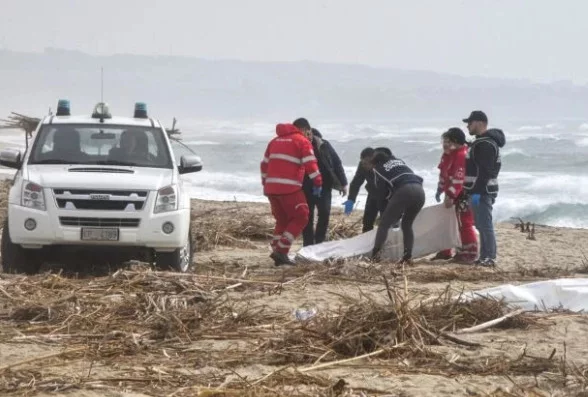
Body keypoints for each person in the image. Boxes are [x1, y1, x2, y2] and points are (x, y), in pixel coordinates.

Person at [260, 119, 323, 266]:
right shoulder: (302, 141)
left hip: (271, 188)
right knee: (302, 216)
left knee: (282, 220)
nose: (310, 137)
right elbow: (310, 164)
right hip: (289, 188)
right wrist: (318, 182)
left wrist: (266, 183)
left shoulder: (274, 141)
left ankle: (277, 250)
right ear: (305, 130)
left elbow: (264, 165)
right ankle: (282, 251)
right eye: (309, 133)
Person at [462, 110, 506, 267]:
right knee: (480, 224)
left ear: (480, 123)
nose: (467, 126)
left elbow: (485, 171)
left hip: (482, 191)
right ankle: (484, 256)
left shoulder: (485, 144)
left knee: (485, 225)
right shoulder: (482, 142)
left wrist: (476, 192)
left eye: (470, 122)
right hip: (481, 190)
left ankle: (490, 257)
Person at [431, 127, 478, 263]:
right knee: (449, 222)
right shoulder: (447, 155)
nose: (444, 144)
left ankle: (470, 253)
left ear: (456, 142)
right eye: (443, 141)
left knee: (465, 223)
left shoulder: (461, 155)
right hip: (452, 193)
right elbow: (443, 174)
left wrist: (451, 195)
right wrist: (440, 189)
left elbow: (459, 177)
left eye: (448, 141)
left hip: (464, 194)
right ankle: (446, 251)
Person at [369, 151, 425, 264]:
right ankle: (407, 256)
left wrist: (383, 213)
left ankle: (375, 256)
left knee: (384, 224)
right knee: (407, 224)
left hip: (405, 190)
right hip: (420, 191)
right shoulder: (399, 162)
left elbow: (382, 195)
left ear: (375, 163)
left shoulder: (378, 169)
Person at [301, 127, 348, 246]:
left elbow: (337, 163)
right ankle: (307, 244)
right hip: (305, 185)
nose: (308, 137)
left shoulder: (324, 145)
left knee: (325, 212)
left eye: (310, 134)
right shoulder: (299, 146)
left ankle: (319, 242)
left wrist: (343, 183)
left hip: (324, 185)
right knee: (307, 216)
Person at [344, 147, 393, 232]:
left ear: (373, 159)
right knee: (367, 221)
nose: (364, 165)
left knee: (386, 222)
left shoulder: (386, 163)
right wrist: (351, 200)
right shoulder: (363, 164)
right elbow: (356, 182)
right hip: (373, 193)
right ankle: (366, 241)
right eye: (363, 163)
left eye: (366, 163)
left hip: (387, 196)